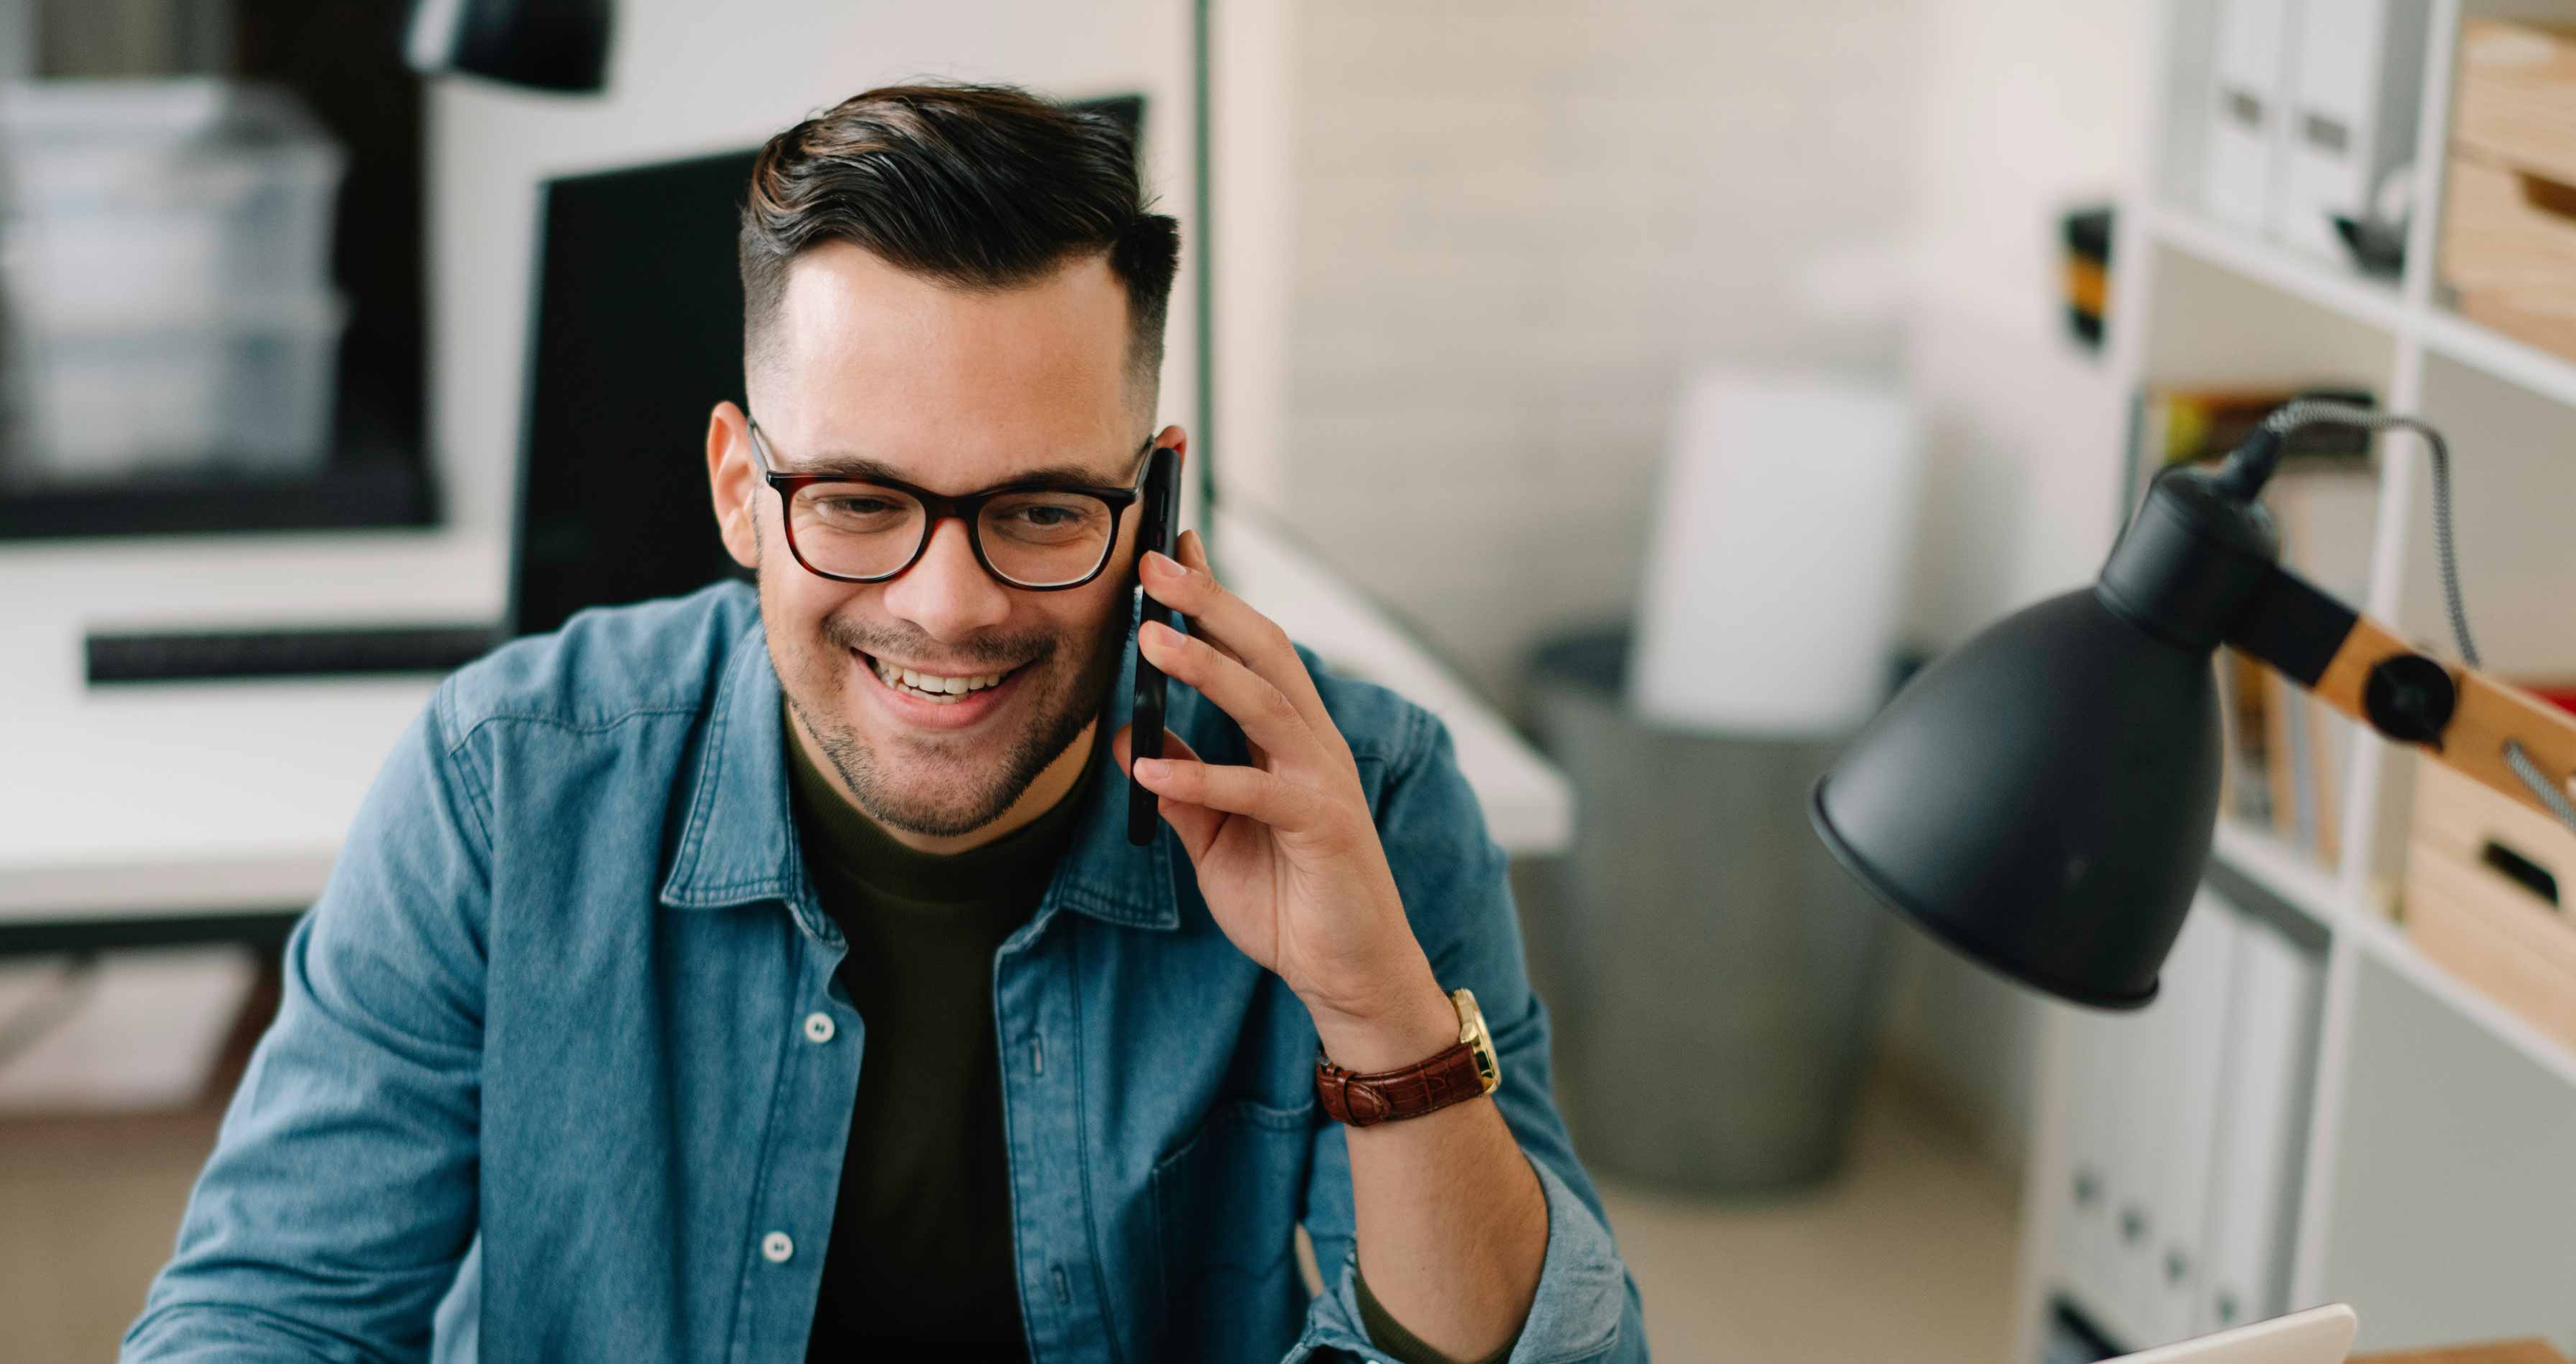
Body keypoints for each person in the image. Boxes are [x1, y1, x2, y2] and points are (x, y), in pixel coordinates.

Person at [124, 82, 1646, 1364]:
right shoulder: (506, 782)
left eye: (1041, 506)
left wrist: (1379, 1014)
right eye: (859, 501)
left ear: (1156, 498)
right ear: (740, 487)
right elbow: (268, 1312)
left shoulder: (1358, 797)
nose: (948, 604)